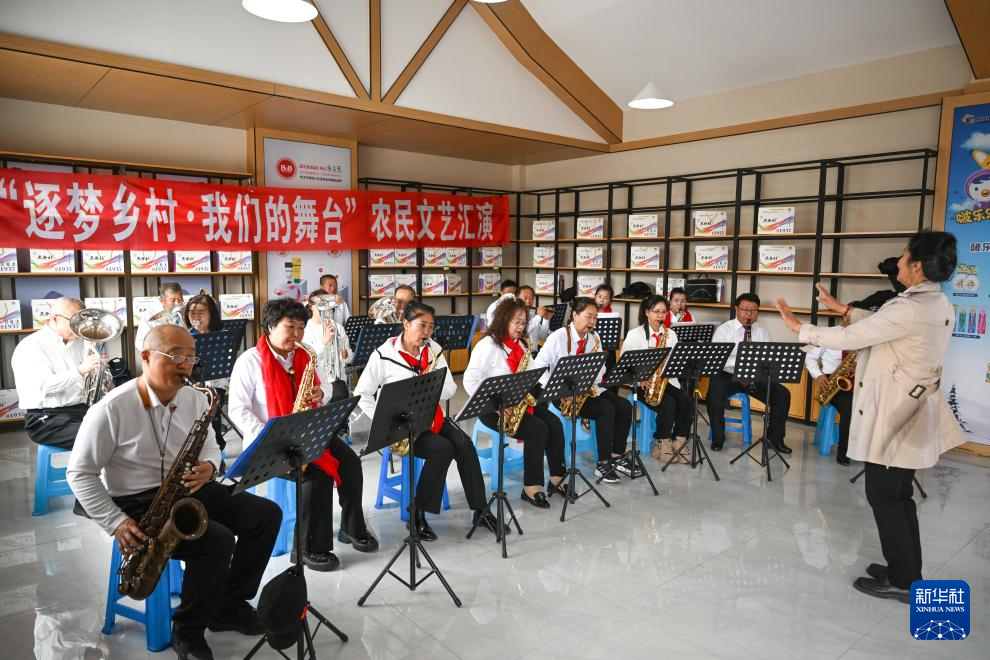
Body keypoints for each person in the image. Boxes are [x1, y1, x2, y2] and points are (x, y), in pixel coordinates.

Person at [67, 325, 281, 660]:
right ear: (146, 357)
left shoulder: (195, 397)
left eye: (191, 357)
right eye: (176, 356)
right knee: (217, 541)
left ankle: (228, 604)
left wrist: (209, 465)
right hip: (138, 502)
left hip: (189, 487)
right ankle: (188, 630)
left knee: (265, 515)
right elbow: (80, 473)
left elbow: (209, 445)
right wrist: (116, 522)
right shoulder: (111, 409)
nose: (186, 365)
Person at [776, 231, 966, 604]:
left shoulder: (909, 307)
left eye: (903, 257)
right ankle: (904, 570)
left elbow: (857, 337)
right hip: (912, 413)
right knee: (898, 495)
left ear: (916, 266)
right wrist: (843, 308)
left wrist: (801, 328)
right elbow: (882, 322)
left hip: (897, 418)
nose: (898, 263)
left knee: (886, 497)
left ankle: (903, 579)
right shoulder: (935, 302)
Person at [228, 299, 377, 573]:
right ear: (270, 326)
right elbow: (238, 410)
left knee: (350, 462)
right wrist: (270, 435)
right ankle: (308, 546)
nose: (296, 334)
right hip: (270, 444)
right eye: (290, 327)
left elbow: (327, 388)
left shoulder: (305, 355)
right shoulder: (249, 361)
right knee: (317, 474)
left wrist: (322, 394)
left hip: (308, 431)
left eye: (300, 327)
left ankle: (352, 526)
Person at [354, 301, 506, 541]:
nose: (427, 332)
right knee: (442, 449)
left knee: (465, 445)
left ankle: (481, 511)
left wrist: (431, 382)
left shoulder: (433, 349)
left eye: (431, 327)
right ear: (406, 324)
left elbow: (450, 389)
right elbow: (361, 393)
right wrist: (383, 422)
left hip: (432, 417)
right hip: (402, 426)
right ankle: (417, 513)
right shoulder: (383, 355)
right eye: (422, 325)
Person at [464, 298, 568, 508]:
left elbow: (533, 376)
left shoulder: (521, 345)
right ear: (503, 320)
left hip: (519, 404)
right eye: (516, 322)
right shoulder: (487, 345)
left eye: (523, 323)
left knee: (555, 424)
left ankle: (557, 478)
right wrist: (495, 405)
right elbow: (470, 381)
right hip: (492, 409)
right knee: (538, 429)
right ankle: (531, 487)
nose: (521, 327)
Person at [534, 297, 633, 483]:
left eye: (595, 318)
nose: (592, 322)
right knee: (606, 409)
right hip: (562, 394)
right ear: (575, 315)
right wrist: (556, 390)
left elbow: (601, 369)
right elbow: (538, 367)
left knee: (624, 406)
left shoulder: (594, 338)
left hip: (587, 389)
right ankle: (603, 463)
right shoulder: (558, 337)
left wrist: (592, 383)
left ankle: (616, 455)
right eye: (589, 317)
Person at [706, 293, 792, 453]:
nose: (749, 314)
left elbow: (768, 359)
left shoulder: (762, 332)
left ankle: (774, 439)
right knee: (714, 396)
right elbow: (719, 360)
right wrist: (742, 362)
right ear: (737, 309)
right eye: (745, 309)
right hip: (728, 375)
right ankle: (718, 438)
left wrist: (759, 365)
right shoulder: (724, 330)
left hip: (755, 375)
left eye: (753, 310)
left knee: (782, 394)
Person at [13, 297, 100, 449]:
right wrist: (81, 370)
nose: (80, 326)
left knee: (120, 428)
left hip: (80, 410)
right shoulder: (31, 346)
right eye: (74, 321)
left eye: (82, 321)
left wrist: (99, 367)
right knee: (99, 436)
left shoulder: (79, 343)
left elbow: (86, 384)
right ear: (54, 319)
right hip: (46, 418)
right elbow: (43, 388)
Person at [620, 295, 694, 462]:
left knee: (687, 401)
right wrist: (640, 379)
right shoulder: (635, 335)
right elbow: (625, 366)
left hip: (665, 381)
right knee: (668, 404)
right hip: (642, 384)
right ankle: (662, 441)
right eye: (656, 312)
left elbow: (675, 363)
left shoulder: (670, 334)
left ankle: (679, 440)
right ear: (647, 312)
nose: (661, 316)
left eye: (664, 312)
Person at [183, 292, 228, 451]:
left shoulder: (222, 336)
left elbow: (225, 364)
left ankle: (217, 451)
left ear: (212, 314)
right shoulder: (185, 336)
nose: (196, 317)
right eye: (192, 313)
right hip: (191, 386)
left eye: (201, 313)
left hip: (215, 386)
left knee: (212, 417)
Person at [805, 344, 854, 465]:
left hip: (856, 380)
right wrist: (818, 375)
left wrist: (859, 367)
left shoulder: (860, 337)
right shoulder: (828, 337)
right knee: (849, 409)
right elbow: (810, 357)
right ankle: (844, 451)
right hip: (831, 382)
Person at [302, 291, 353, 403]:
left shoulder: (338, 327)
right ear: (311, 306)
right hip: (319, 383)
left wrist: (346, 354)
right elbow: (308, 357)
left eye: (327, 304)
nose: (324, 308)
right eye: (320, 304)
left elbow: (349, 354)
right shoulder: (306, 329)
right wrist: (324, 341)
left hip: (339, 380)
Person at [135, 282, 184, 352]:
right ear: (162, 301)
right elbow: (140, 343)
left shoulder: (186, 313)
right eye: (172, 300)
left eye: (180, 299)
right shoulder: (149, 316)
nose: (177, 303)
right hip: (160, 355)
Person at [517, 285, 553, 350]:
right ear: (517, 298)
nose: (528, 302)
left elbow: (541, 336)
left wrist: (546, 319)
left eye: (531, 298)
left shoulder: (532, 313)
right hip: (521, 353)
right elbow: (523, 331)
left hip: (533, 352)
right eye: (525, 298)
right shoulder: (514, 315)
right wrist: (538, 316)